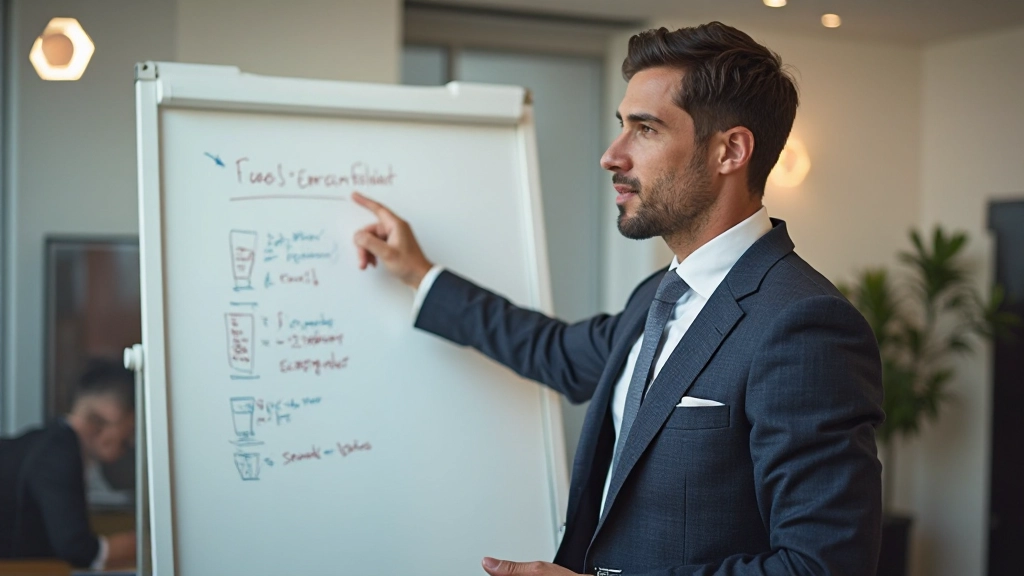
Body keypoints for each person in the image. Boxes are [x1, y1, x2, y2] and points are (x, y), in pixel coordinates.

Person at [353, 22, 883, 576]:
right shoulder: (657, 297)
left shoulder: (805, 325)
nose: (612, 155)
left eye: (646, 129)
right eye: (621, 126)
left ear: (731, 150)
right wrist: (420, 274)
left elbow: (822, 566)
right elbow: (554, 350)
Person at [0, 358, 137, 569]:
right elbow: (79, 550)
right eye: (131, 430)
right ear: (112, 413)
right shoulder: (58, 453)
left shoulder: (51, 442)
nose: (132, 441)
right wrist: (144, 542)